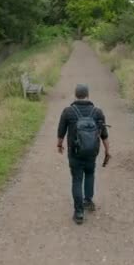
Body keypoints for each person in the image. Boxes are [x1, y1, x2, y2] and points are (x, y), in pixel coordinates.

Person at [57, 84, 110, 225]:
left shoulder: (68, 111)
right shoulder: (97, 112)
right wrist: (107, 151)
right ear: (88, 95)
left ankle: (79, 212)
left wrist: (59, 144)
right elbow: (104, 134)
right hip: (91, 153)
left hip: (74, 153)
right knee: (90, 174)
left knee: (76, 180)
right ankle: (88, 201)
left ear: (75, 95)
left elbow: (61, 131)